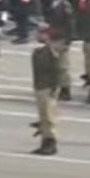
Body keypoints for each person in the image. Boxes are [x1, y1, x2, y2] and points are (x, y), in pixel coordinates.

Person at [31, 25, 60, 156]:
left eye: (41, 34)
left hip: (47, 88)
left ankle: (50, 142)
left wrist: (54, 90)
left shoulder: (51, 52)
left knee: (49, 117)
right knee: (43, 117)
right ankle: (44, 141)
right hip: (40, 87)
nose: (38, 36)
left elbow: (56, 73)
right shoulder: (38, 51)